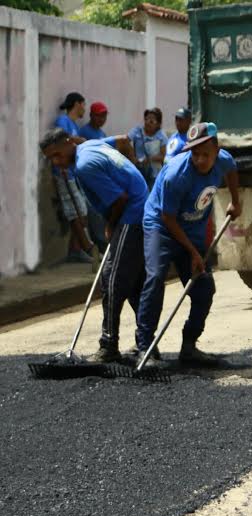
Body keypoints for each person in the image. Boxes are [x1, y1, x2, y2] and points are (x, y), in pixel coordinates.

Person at [135, 122, 241, 365]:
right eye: (195, 154)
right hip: (161, 227)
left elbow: (232, 170)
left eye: (206, 154)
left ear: (217, 149)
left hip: (191, 230)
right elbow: (167, 218)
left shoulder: (224, 159)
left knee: (204, 289)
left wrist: (236, 200)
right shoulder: (176, 175)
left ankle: (189, 347)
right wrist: (193, 253)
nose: (200, 160)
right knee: (155, 277)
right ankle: (145, 346)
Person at [40, 128, 148, 362]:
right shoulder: (89, 145)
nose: (57, 163)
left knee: (111, 280)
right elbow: (122, 139)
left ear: (68, 143)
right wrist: (134, 174)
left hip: (131, 215)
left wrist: (111, 225)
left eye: (58, 155)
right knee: (132, 283)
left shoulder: (84, 166)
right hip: (140, 209)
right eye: (51, 159)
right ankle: (148, 345)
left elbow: (120, 199)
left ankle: (108, 346)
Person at [53, 92, 96, 263]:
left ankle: (75, 249)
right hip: (63, 173)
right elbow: (59, 140)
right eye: (83, 105)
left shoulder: (74, 125)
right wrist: (78, 140)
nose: (84, 108)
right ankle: (79, 249)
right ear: (77, 104)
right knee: (75, 211)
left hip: (72, 174)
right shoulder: (62, 121)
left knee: (81, 211)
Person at [129, 107, 168, 188]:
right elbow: (125, 141)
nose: (147, 122)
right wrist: (133, 157)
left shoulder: (161, 136)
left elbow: (164, 156)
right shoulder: (137, 131)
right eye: (146, 119)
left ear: (158, 123)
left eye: (151, 120)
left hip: (155, 175)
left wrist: (149, 159)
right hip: (138, 172)